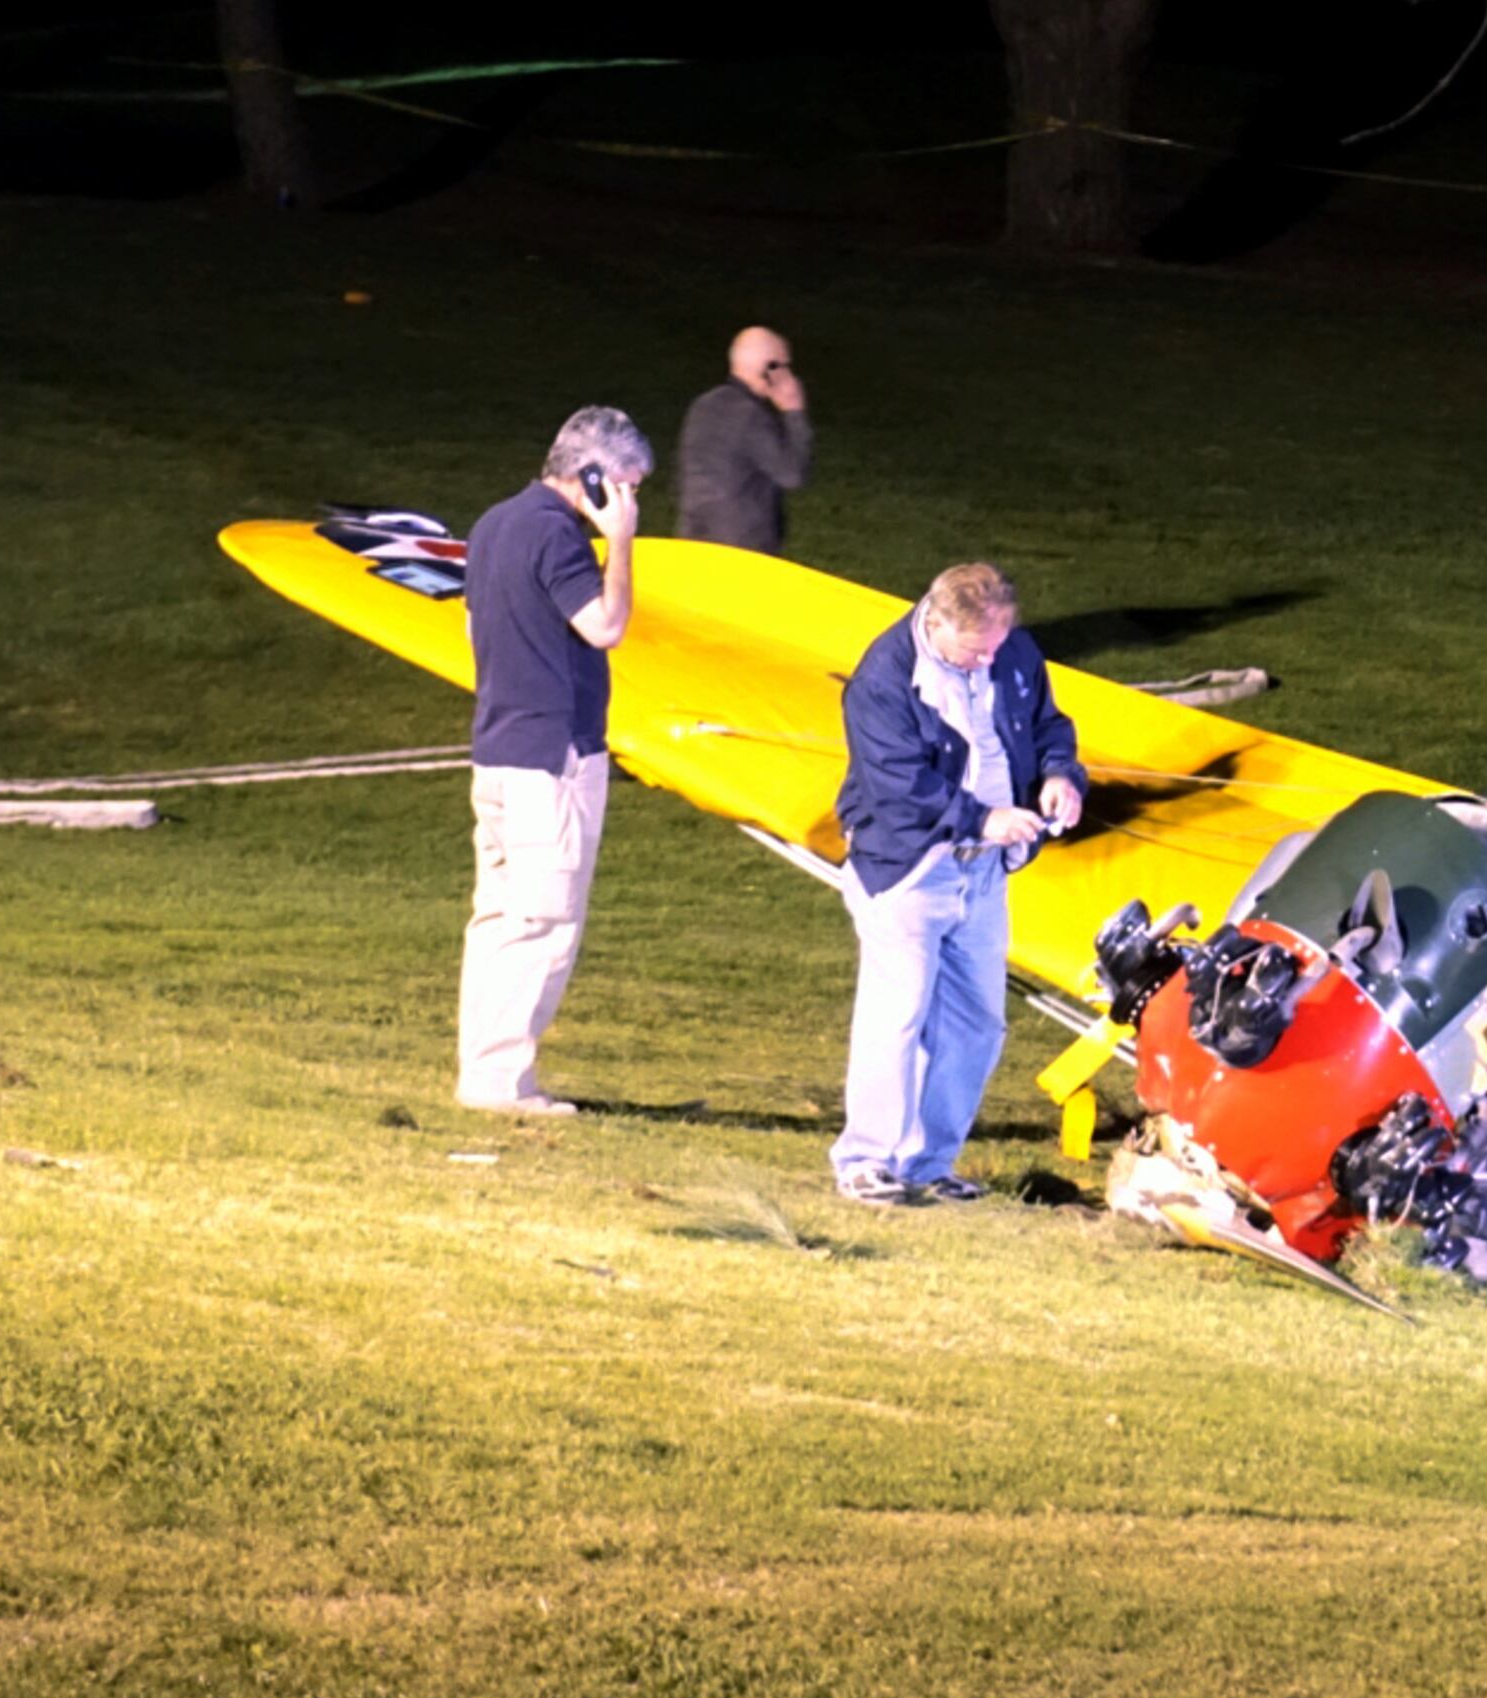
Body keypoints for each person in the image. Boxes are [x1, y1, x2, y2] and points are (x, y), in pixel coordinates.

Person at [829, 561, 1086, 1205]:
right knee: (899, 1012)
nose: (986, 662)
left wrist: (1061, 776)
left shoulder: (1012, 650)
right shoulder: (882, 680)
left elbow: (1050, 726)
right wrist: (985, 818)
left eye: (995, 648)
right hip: (908, 869)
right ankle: (865, 1160)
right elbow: (898, 788)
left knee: (978, 1024)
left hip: (985, 870)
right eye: (974, 651)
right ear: (935, 621)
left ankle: (927, 1164)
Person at [457, 406, 649, 1114]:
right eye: (628, 486)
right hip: (551, 759)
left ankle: (485, 1072)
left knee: (498, 918)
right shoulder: (558, 536)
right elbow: (606, 625)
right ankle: (500, 1084)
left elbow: (473, 626)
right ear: (593, 478)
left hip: (498, 749)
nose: (633, 501)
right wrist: (620, 544)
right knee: (543, 923)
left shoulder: (494, 523)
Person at [675, 325, 812, 553]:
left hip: (693, 539)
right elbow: (793, 474)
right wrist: (794, 412)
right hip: (741, 552)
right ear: (770, 369)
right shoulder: (750, 416)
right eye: (785, 365)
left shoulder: (703, 405)